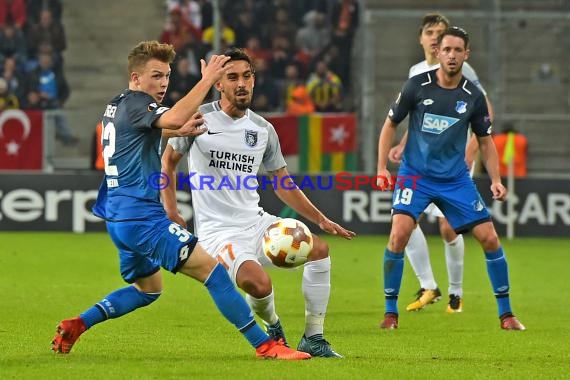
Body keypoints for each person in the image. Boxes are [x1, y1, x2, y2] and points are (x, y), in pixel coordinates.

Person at [51, 41, 311, 360]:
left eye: (167, 76)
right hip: (143, 220)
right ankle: (266, 345)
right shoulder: (138, 104)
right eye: (155, 76)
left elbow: (142, 133)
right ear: (135, 78)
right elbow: (172, 119)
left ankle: (79, 323)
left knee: (149, 290)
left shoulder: (117, 105)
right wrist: (206, 80)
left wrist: (175, 130)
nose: (162, 84)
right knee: (213, 273)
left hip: (118, 219)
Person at [161, 48, 356, 358]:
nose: (242, 84)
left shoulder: (263, 129)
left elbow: (282, 182)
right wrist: (171, 211)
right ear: (218, 84)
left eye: (247, 76)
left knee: (319, 249)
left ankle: (314, 338)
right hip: (218, 232)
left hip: (256, 221)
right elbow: (168, 163)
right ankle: (274, 326)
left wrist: (320, 219)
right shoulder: (198, 118)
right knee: (259, 284)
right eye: (233, 77)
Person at [376, 27, 525, 331]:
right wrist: (382, 168)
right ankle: (390, 312)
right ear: (439, 53)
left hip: (454, 179)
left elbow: (485, 140)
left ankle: (507, 314)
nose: (452, 55)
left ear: (466, 54)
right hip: (414, 175)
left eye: (458, 50)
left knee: (490, 238)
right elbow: (390, 124)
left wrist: (495, 179)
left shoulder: (473, 96)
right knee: (399, 234)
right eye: (447, 50)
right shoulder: (417, 86)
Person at [388, 13, 496, 313]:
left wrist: (472, 148)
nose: (437, 36)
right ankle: (428, 285)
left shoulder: (463, 67)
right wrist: (403, 142)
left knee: (449, 228)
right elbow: (421, 117)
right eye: (431, 32)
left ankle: (456, 293)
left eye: (441, 31)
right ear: (422, 39)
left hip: (454, 160)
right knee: (404, 224)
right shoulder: (417, 71)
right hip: (421, 162)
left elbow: (485, 111)